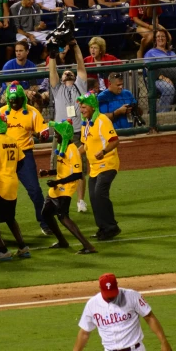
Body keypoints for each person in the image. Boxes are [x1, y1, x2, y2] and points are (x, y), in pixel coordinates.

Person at [65, 273, 173, 351]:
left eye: (112, 292)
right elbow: (84, 333)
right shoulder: (92, 305)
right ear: (100, 288)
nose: (111, 296)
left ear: (117, 285)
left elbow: (149, 317)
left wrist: (163, 341)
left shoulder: (132, 296)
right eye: (107, 294)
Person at [0, 81, 50, 234]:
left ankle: (45, 222)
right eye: (11, 100)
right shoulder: (1, 113)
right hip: (5, 157)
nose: (14, 103)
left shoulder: (32, 112)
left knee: (34, 190)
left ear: (23, 98)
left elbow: (43, 130)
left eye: (17, 100)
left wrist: (43, 134)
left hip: (24, 156)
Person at [38, 120, 97, 253]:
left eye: (57, 134)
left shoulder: (73, 151)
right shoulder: (61, 148)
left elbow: (77, 175)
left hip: (66, 188)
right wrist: (48, 172)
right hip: (57, 187)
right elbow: (63, 170)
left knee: (63, 216)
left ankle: (88, 246)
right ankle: (62, 241)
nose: (55, 136)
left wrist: (57, 182)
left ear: (64, 134)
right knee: (46, 213)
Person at [0, 110, 31, 261]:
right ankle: (23, 248)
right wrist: (11, 171)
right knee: (10, 217)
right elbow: (22, 161)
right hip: (12, 183)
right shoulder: (13, 140)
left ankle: (3, 251)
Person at [48, 38, 90, 210]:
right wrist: (52, 55)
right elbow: (52, 71)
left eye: (69, 72)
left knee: (79, 170)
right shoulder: (57, 88)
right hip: (60, 135)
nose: (67, 73)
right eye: (64, 73)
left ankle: (80, 201)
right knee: (58, 168)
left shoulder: (80, 85)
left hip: (78, 133)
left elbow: (80, 65)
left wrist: (74, 45)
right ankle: (58, 199)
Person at [77, 92, 121, 240]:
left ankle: (111, 227)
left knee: (100, 193)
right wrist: (72, 154)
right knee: (94, 197)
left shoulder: (102, 120)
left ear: (92, 106)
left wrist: (103, 151)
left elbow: (114, 141)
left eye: (84, 107)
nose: (81, 110)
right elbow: (85, 146)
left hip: (108, 163)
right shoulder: (86, 124)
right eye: (81, 107)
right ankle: (103, 228)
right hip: (94, 168)